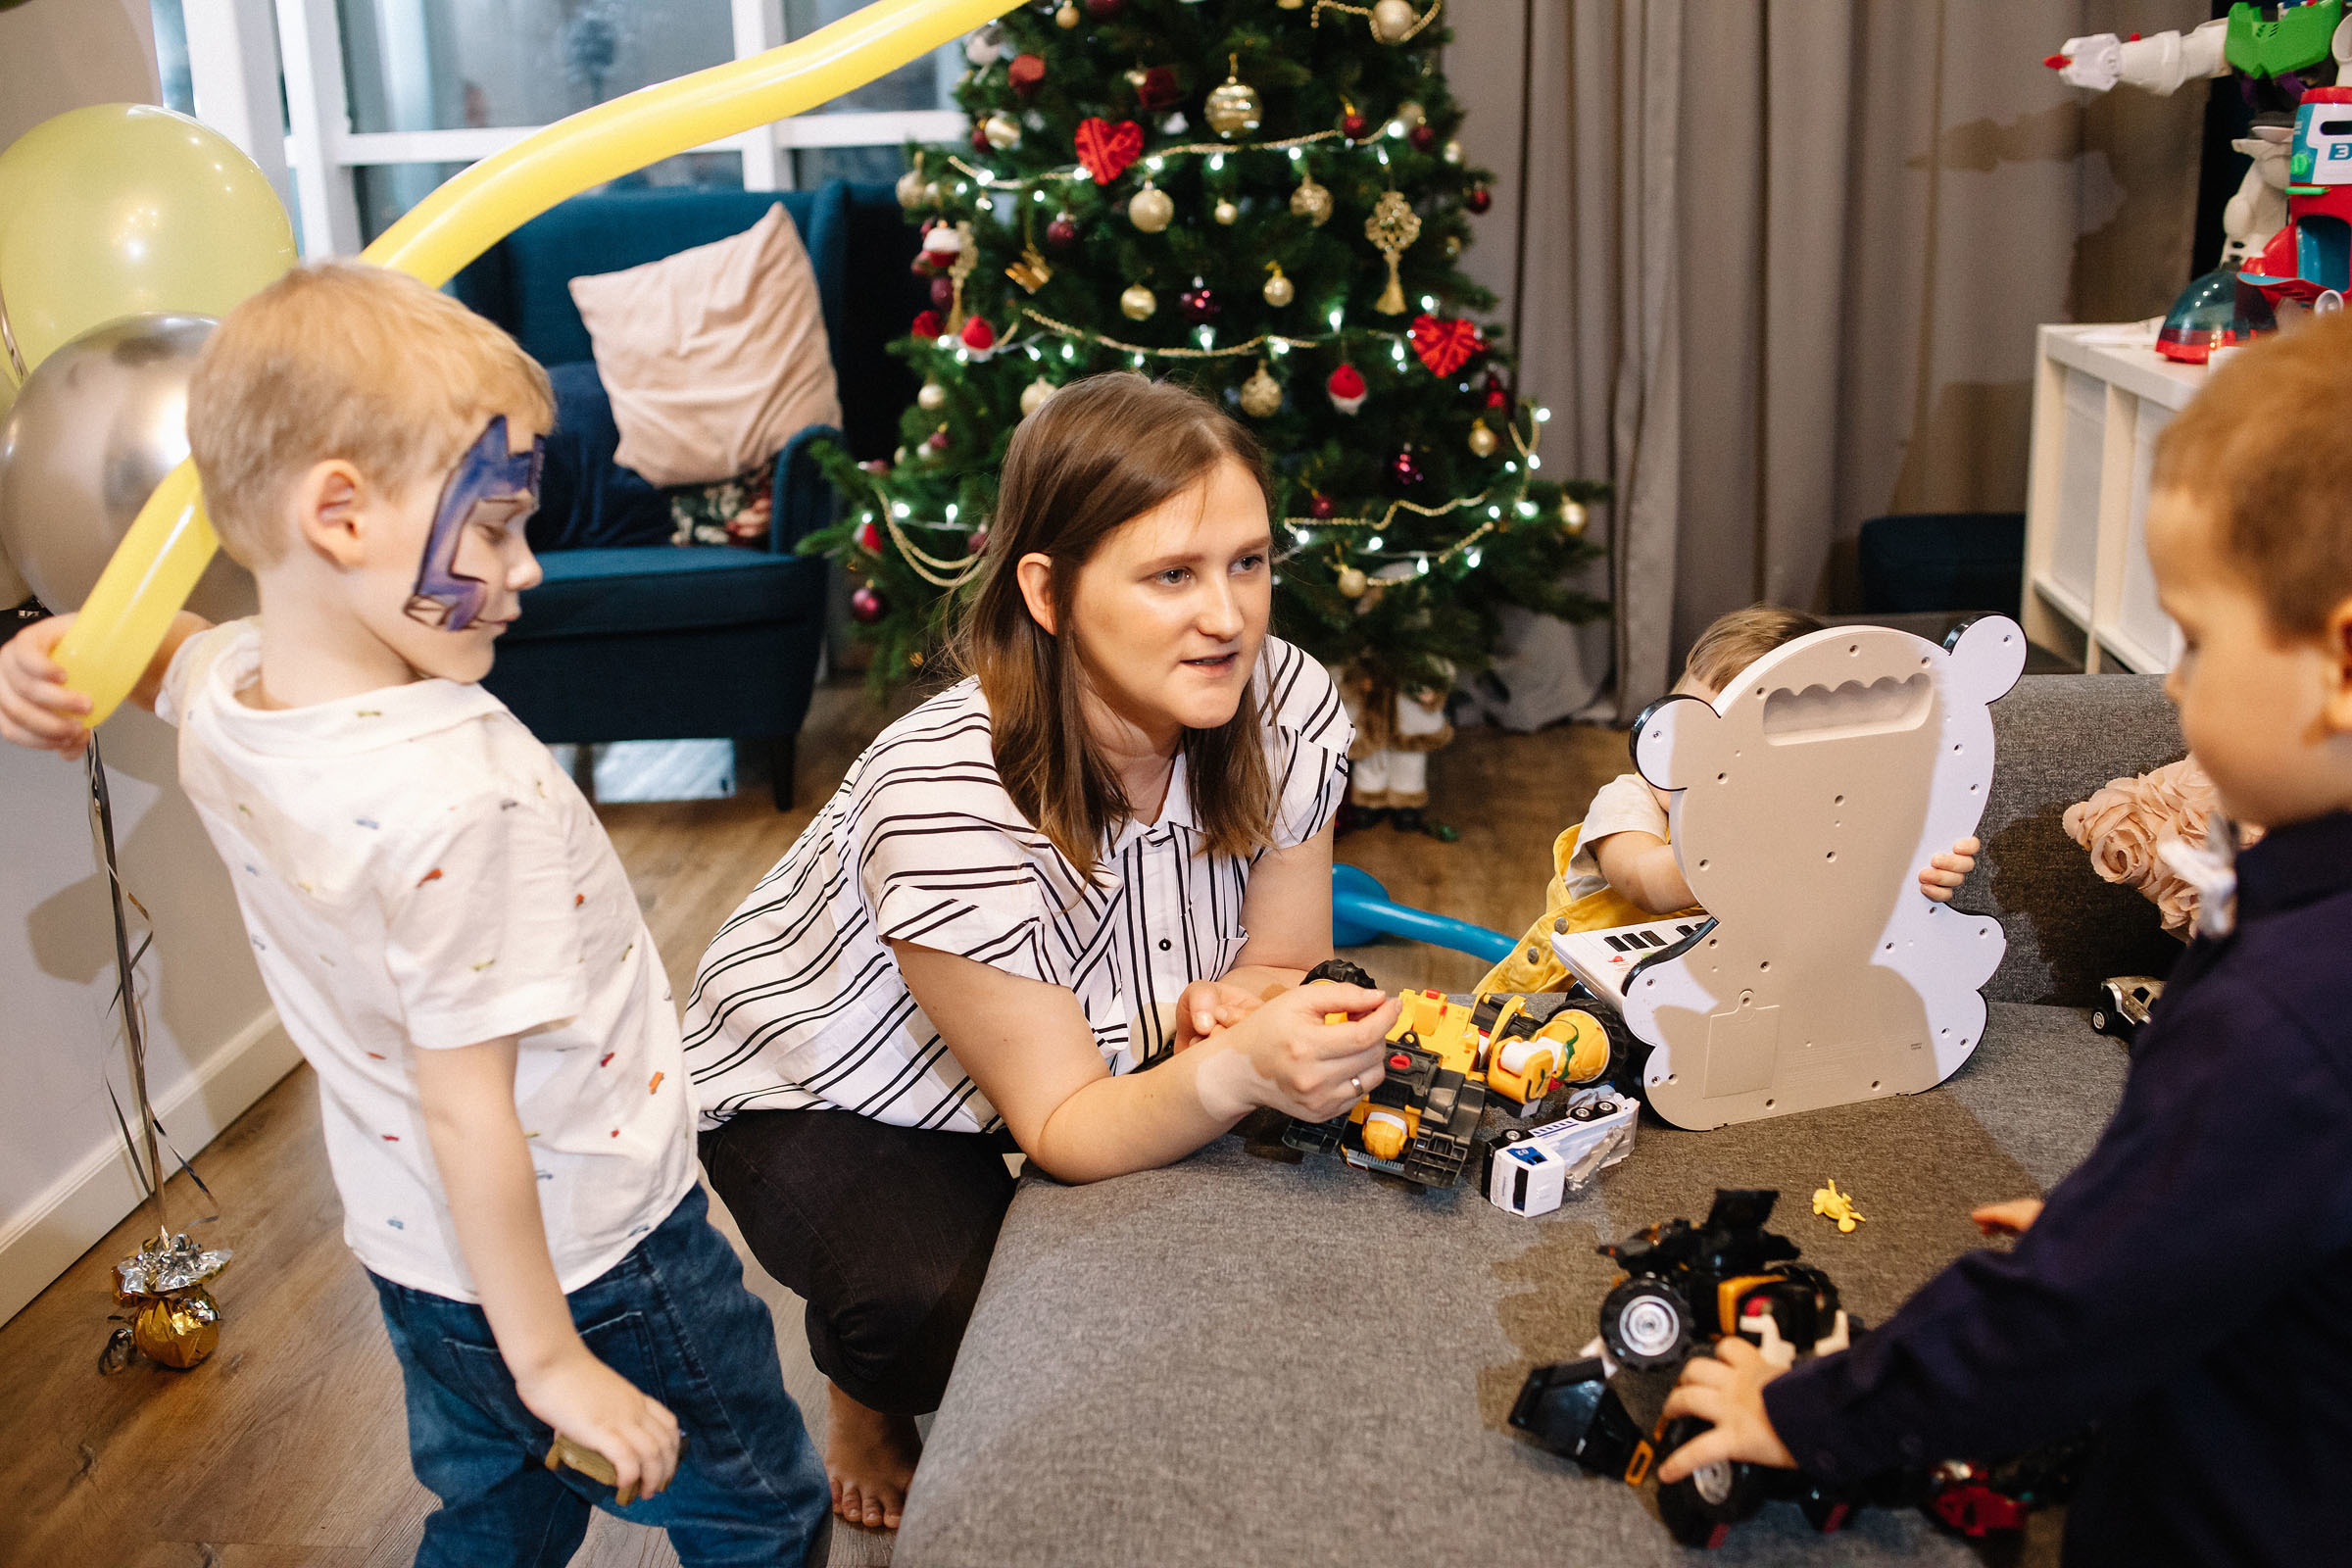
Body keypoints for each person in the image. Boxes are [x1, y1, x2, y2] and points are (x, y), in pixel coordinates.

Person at [0, 264, 827, 1568]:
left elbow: (148, 649)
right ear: (338, 512)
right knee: (762, 1510)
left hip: (411, 1255)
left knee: (496, 1512)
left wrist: (46, 654)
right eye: (494, 527)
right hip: (593, 1254)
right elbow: (469, 1103)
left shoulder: (233, 694)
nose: (528, 569)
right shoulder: (462, 798)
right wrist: (550, 1356)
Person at [1653, 313, 2352, 1565]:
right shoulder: (2298, 914)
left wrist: (1807, 1412)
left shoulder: (2287, 1018)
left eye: (2195, 639)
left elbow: (2070, 1320)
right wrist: (2154, 1215)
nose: (2171, 687)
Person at [682, 373, 1400, 1531]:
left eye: (1250, 563)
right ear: (1050, 591)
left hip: (1090, 1034)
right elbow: (1064, 1126)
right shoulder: (947, 794)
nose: (1229, 616)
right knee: (939, 1311)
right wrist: (1235, 1066)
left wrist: (1243, 1011)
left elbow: (1285, 959)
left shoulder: (1287, 702)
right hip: (836, 1084)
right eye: (1172, 574)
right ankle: (863, 1388)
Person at [1476, 605, 1982, 993]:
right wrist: (1775, 844)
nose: (1681, 753)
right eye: (1681, 721)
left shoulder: (1805, 824)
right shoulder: (1630, 802)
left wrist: (1914, 874)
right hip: (1582, 1001)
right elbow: (1648, 884)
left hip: (1731, 998)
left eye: (1722, 748)